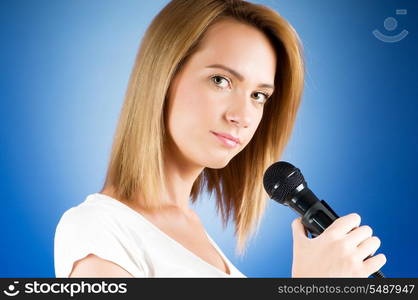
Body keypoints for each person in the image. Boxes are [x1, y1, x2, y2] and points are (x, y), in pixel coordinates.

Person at [54, 0, 386, 278]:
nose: (241, 116)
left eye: (258, 95)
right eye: (220, 80)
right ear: (162, 77)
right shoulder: (97, 230)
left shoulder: (191, 227)